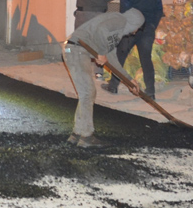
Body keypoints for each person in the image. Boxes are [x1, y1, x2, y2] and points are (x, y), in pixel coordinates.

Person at [62, 9, 144, 147]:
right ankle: (86, 137)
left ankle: (77, 133)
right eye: (137, 27)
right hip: (75, 49)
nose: (135, 31)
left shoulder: (114, 35)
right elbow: (101, 29)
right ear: (134, 21)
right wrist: (100, 52)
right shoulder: (119, 20)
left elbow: (112, 60)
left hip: (75, 50)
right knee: (88, 93)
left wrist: (129, 80)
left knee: (86, 94)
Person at [103, 0, 164, 99]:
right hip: (147, 28)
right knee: (146, 59)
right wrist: (151, 25)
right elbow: (159, 9)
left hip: (132, 28)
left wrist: (128, 24)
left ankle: (113, 86)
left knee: (120, 56)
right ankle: (150, 91)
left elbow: (125, 4)